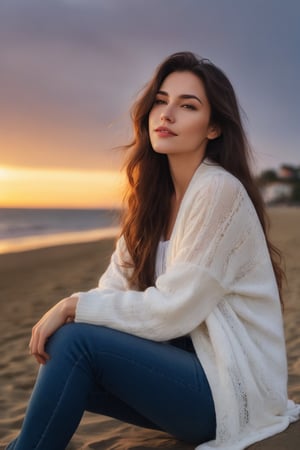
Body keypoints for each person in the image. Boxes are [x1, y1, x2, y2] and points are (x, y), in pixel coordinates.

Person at [6, 51, 299, 450]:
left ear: (213, 128)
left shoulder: (218, 192)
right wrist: (81, 310)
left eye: (187, 106)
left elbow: (173, 309)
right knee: (70, 348)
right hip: (190, 373)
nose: (167, 114)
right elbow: (114, 289)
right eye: (160, 101)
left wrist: (72, 305)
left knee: (75, 342)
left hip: (234, 392)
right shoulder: (151, 201)